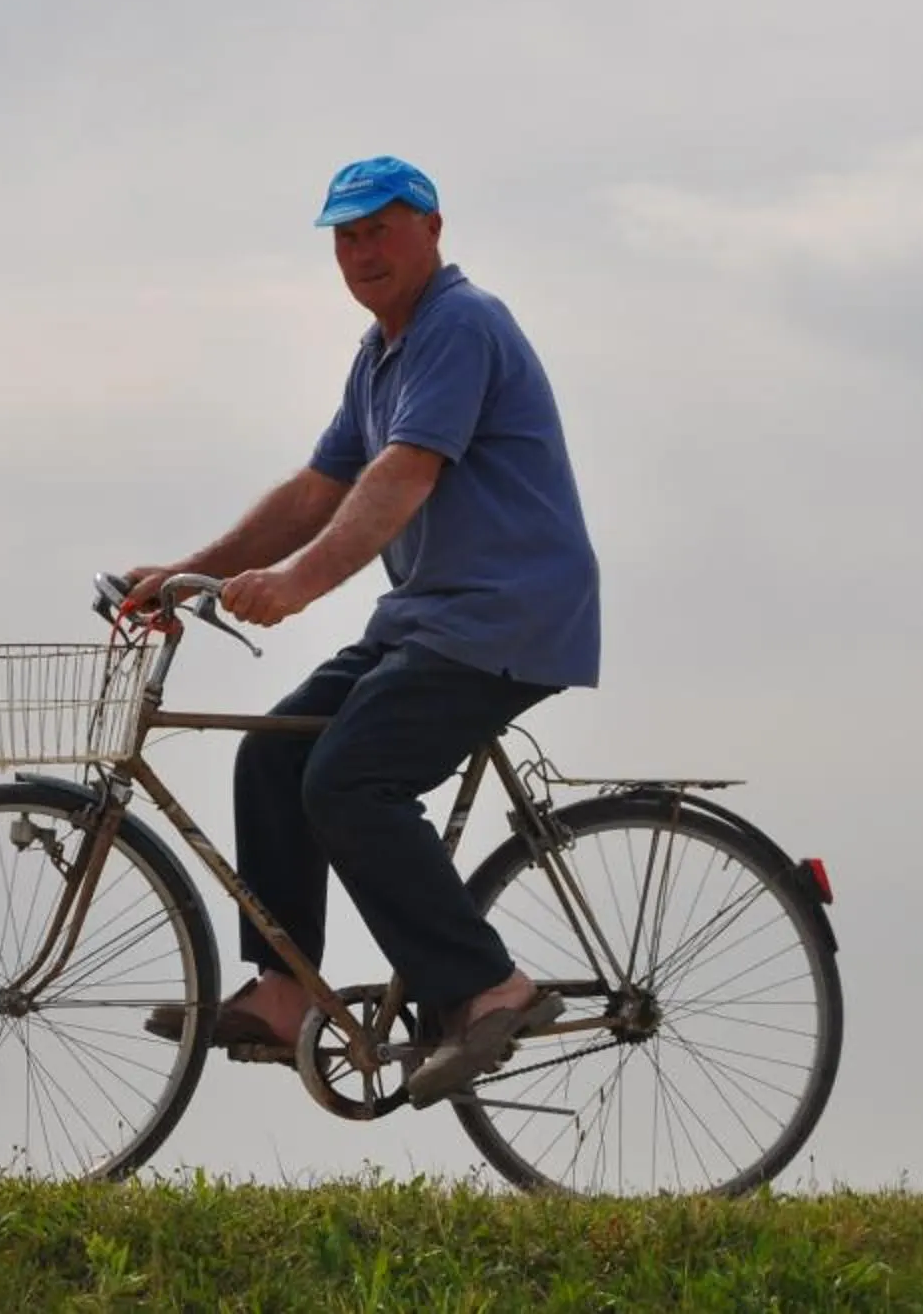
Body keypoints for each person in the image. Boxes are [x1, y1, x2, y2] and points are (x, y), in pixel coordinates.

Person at [123, 154, 602, 1103]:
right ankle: (285, 991)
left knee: (349, 779)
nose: (362, 250)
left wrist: (299, 583)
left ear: (433, 227)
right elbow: (318, 488)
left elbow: (404, 474)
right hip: (426, 620)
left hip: (504, 615)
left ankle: (487, 986)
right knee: (272, 756)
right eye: (346, 235)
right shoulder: (380, 353)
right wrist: (193, 572)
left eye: (380, 227)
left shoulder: (461, 324)